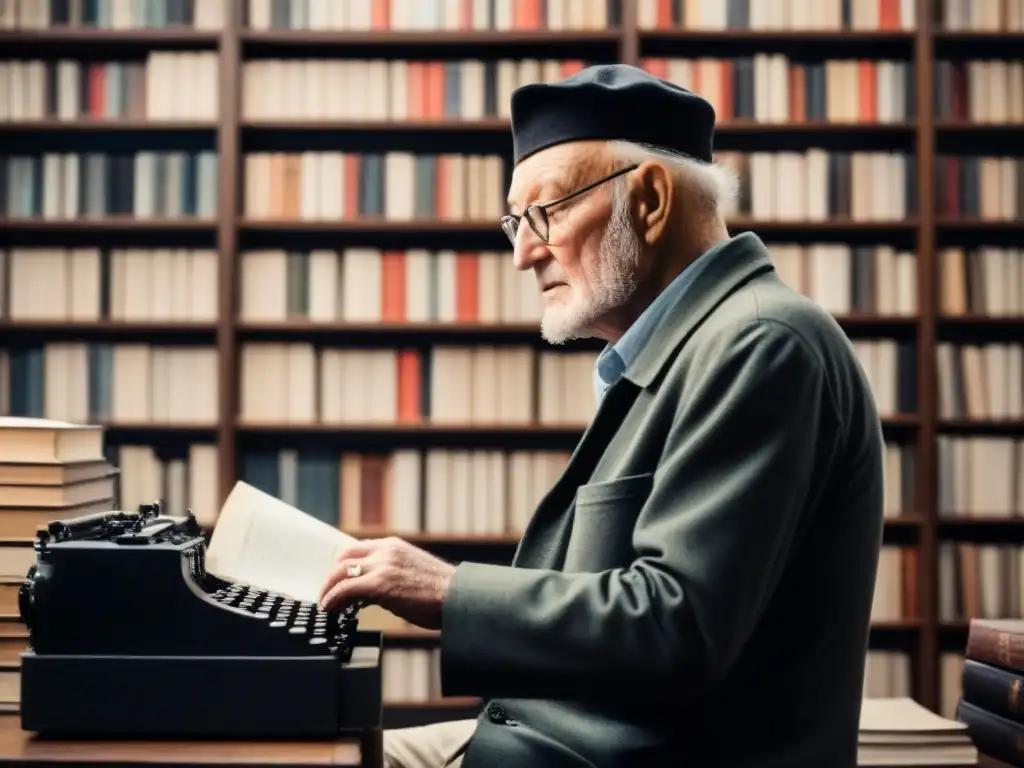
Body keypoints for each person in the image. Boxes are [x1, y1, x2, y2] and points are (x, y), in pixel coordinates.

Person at [318, 64, 886, 768]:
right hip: (560, 744)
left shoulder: (761, 344)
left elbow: (677, 625)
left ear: (650, 200)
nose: (523, 254)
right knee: (311, 750)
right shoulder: (691, 346)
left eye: (546, 213)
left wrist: (445, 590)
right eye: (515, 222)